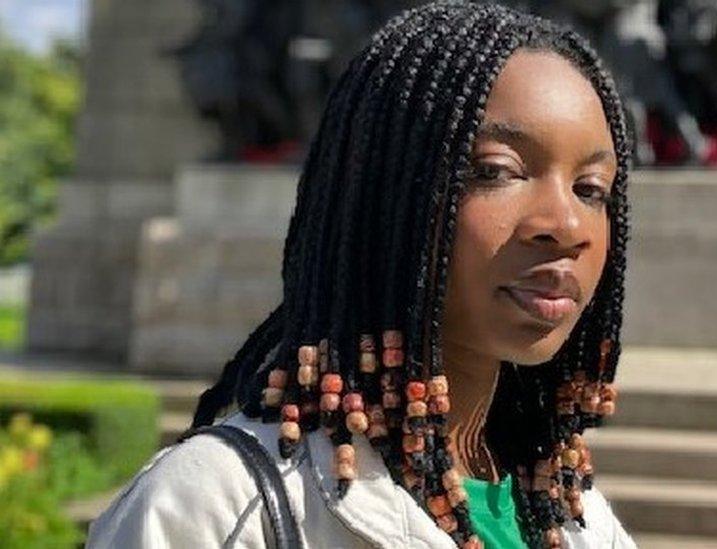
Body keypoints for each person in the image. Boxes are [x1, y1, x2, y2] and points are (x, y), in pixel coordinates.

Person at [87, 1, 636, 547]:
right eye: (496, 171)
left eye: (591, 189)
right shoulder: (213, 508)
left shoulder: (582, 522)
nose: (566, 225)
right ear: (383, 195)